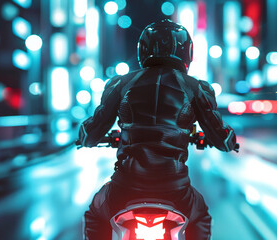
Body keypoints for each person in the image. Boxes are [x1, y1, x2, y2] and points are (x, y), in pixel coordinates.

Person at [77, 19, 237, 240]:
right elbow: (223, 139)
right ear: (186, 52)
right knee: (200, 216)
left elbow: (90, 133)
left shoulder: (120, 84)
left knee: (96, 213)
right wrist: (229, 139)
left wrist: (86, 138)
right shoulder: (196, 88)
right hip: (175, 188)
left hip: (126, 186)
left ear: (143, 49)